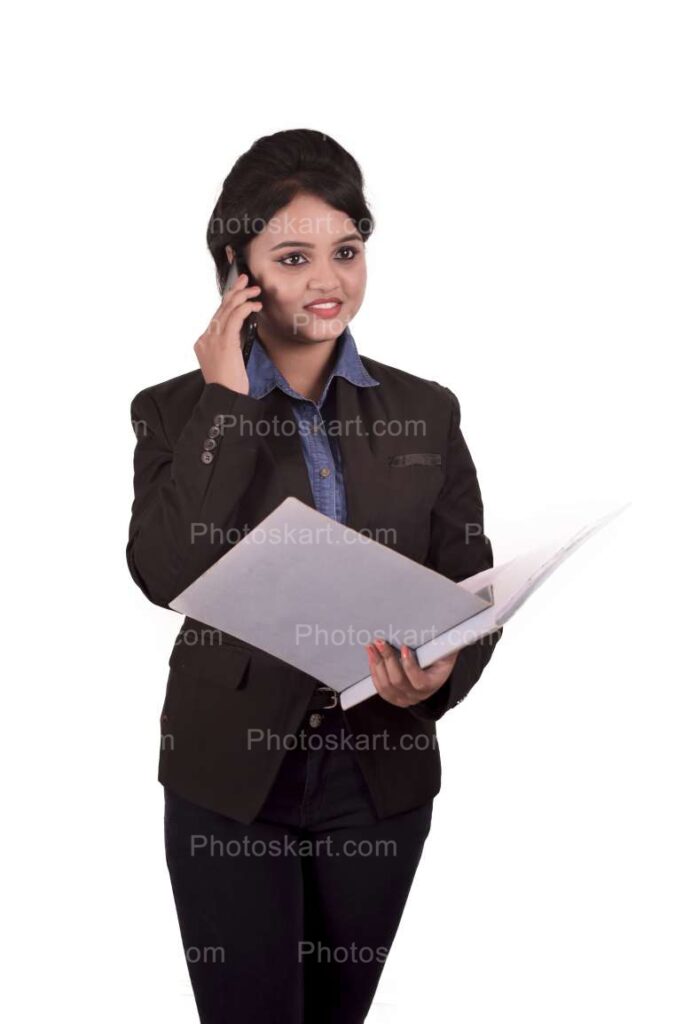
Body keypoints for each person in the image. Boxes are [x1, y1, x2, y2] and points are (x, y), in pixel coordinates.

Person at [126, 128, 503, 1023]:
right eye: (293, 258)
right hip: (230, 775)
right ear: (238, 267)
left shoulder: (423, 409)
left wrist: (444, 672)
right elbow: (165, 569)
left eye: (346, 251)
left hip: (379, 776)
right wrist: (226, 399)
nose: (328, 280)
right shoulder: (175, 411)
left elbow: (470, 584)